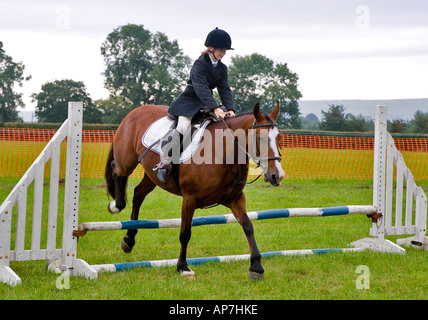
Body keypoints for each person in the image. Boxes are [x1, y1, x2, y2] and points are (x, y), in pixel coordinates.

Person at [153, 27, 236, 183]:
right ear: (210, 48)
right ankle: (164, 162)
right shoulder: (199, 64)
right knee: (184, 127)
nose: (224, 53)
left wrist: (230, 109)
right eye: (221, 49)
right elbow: (200, 87)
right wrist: (215, 108)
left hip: (206, 102)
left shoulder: (222, 68)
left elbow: (224, 89)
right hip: (189, 101)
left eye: (225, 50)